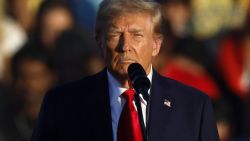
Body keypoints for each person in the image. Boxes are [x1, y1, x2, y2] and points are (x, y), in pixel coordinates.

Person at [32, 0, 220, 141]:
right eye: (115, 34)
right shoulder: (62, 105)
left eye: (137, 35)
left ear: (156, 45)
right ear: (100, 42)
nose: (125, 46)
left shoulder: (193, 107)